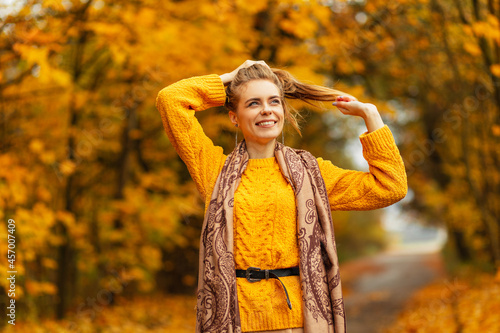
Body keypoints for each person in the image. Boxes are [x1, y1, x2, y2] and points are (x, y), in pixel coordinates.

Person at [155, 60, 407, 333]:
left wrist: (371, 116)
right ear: (234, 116)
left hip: (299, 323)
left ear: (283, 111)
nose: (266, 110)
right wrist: (229, 78)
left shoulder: (311, 174)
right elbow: (170, 99)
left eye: (274, 101)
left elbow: (389, 186)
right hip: (233, 322)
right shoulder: (214, 170)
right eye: (253, 103)